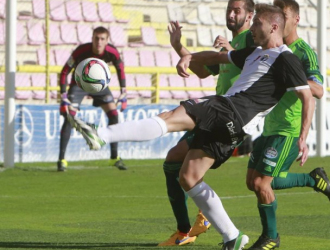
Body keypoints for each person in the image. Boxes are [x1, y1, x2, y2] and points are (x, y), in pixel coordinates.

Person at [69, 4, 315, 249]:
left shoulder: (286, 58)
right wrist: (188, 55)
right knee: (188, 177)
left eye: (256, 24)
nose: (252, 28)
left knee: (169, 117)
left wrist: (302, 138)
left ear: (273, 26)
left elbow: (307, 97)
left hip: (229, 110)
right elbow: (218, 57)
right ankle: (233, 237)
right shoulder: (254, 52)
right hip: (235, 127)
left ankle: (101, 135)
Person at [159, 0, 255, 246]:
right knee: (175, 165)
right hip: (215, 113)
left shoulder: (253, 40)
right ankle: (197, 223)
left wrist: (230, 50)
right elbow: (200, 68)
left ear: (250, 15)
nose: (231, 14)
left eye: (237, 10)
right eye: (229, 10)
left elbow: (254, 61)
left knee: (178, 166)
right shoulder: (228, 48)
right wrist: (178, 46)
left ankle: (191, 230)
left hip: (230, 118)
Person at [245, 1, 330, 249]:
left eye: (284, 15)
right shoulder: (272, 48)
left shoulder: (302, 52)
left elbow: (318, 90)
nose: (280, 20)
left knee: (263, 183)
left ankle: (271, 238)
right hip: (269, 126)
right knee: (254, 182)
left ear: (295, 19)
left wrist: (296, 79)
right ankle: (312, 179)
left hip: (288, 130)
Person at [57, 26, 127, 172]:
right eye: (96, 38)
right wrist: (63, 96)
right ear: (92, 38)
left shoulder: (112, 52)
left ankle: (114, 157)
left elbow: (120, 68)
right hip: (78, 83)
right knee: (70, 117)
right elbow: (64, 72)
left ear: (107, 40)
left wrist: (123, 92)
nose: (99, 42)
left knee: (114, 115)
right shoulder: (81, 51)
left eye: (102, 39)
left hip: (99, 86)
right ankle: (61, 160)